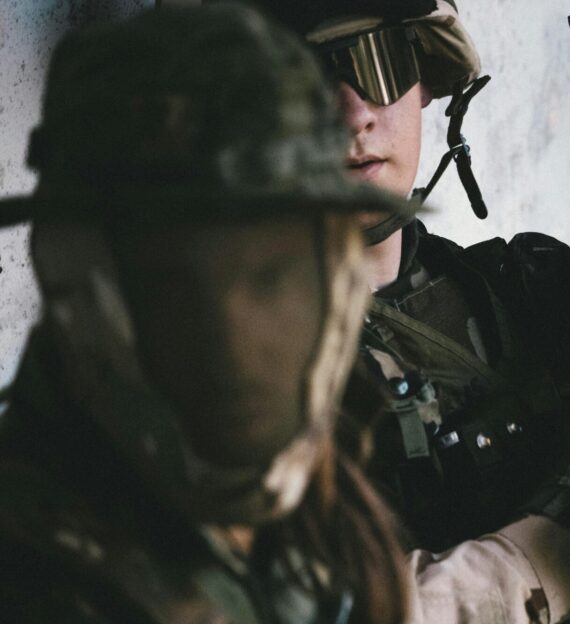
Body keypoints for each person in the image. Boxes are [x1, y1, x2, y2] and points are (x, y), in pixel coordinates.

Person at [234, 0, 570, 620]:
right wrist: (568, 550)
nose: (355, 115)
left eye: (380, 65)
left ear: (427, 80)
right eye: (308, 78)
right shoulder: (232, 356)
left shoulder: (497, 299)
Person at [0, 4, 418, 623]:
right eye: (170, 284)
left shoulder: (312, 486)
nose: (235, 338)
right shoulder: (43, 573)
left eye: (272, 276)